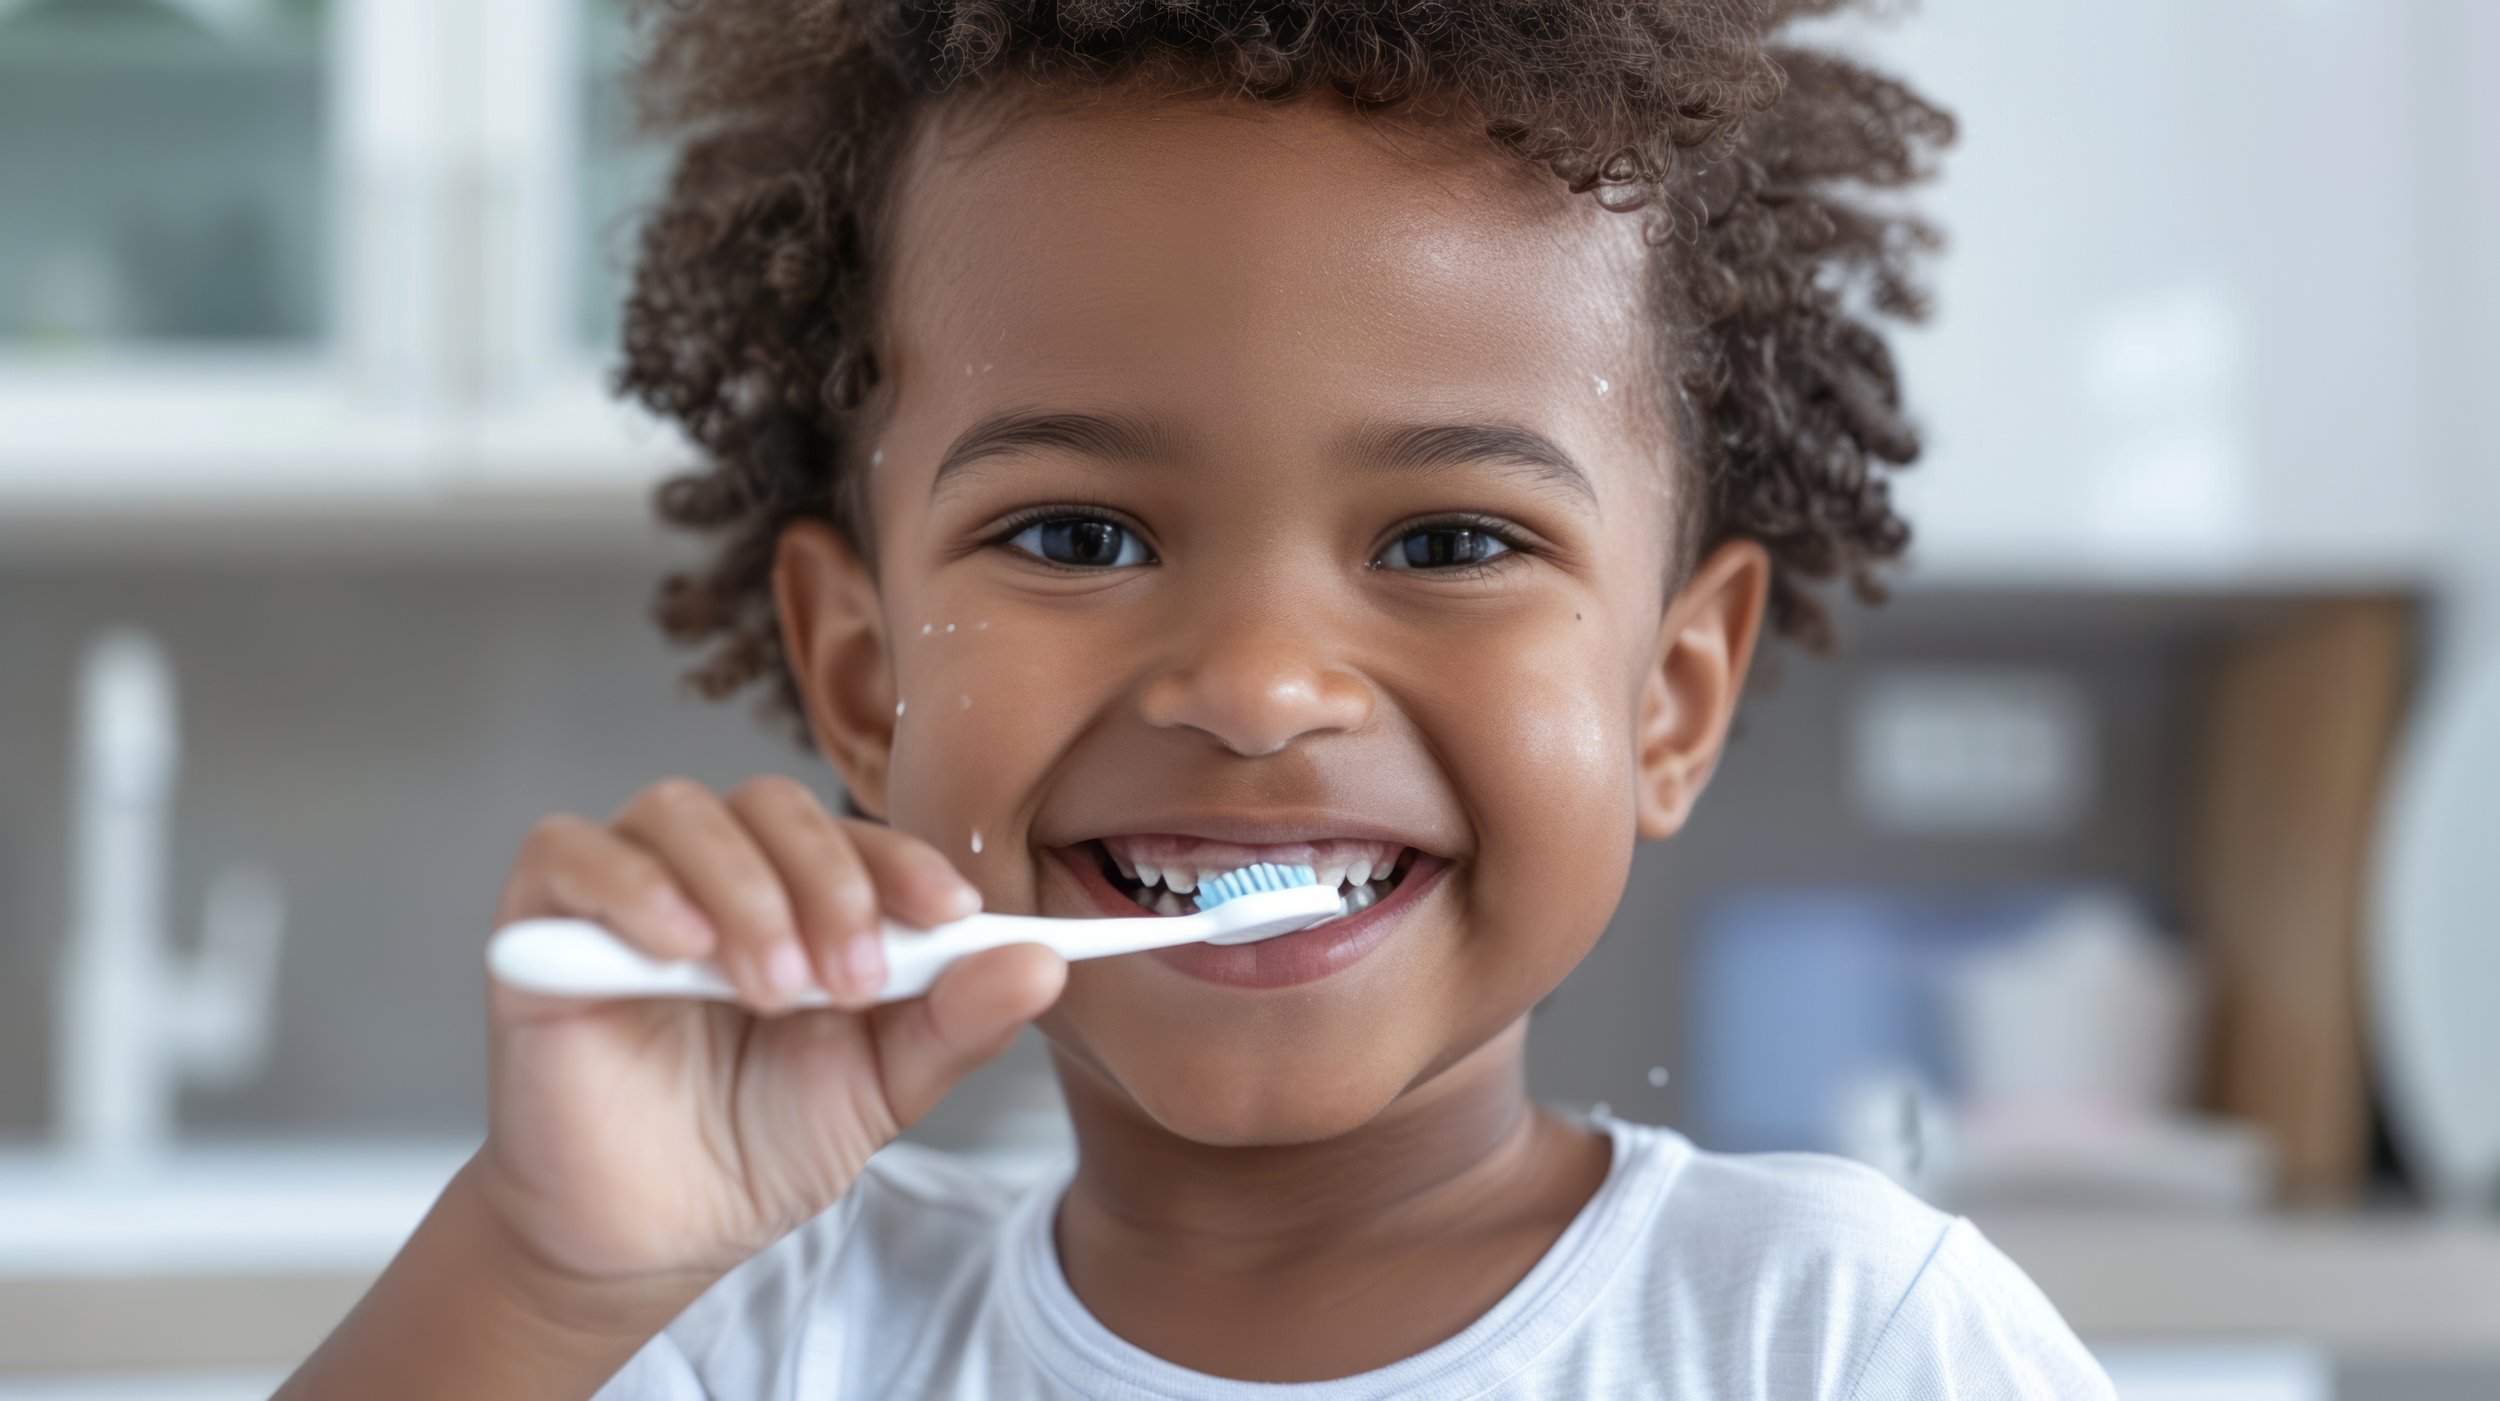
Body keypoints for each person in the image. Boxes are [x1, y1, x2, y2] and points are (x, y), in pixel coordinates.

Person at [282, 1, 2114, 1395]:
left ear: (1671, 692)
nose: (1255, 689)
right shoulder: (745, 1330)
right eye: (1077, 533)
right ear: (861, 676)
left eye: (1451, 540)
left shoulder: (1841, 1339)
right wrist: (539, 1276)